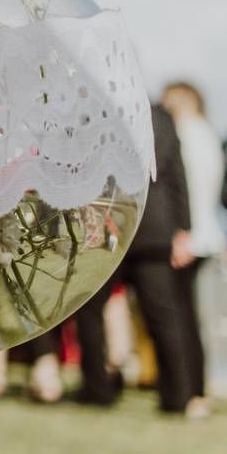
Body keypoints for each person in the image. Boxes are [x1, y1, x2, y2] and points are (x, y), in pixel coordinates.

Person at [73, 102, 196, 413]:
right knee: (163, 317)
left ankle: (97, 388)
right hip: (152, 228)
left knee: (90, 310)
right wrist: (183, 227)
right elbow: (177, 175)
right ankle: (177, 396)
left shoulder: (97, 114)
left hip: (112, 224)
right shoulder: (161, 117)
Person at [163, 81, 225, 412]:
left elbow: (183, 190)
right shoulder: (208, 134)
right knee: (194, 318)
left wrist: (181, 234)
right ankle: (197, 388)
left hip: (188, 239)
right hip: (206, 237)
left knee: (183, 319)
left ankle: (189, 390)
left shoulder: (185, 134)